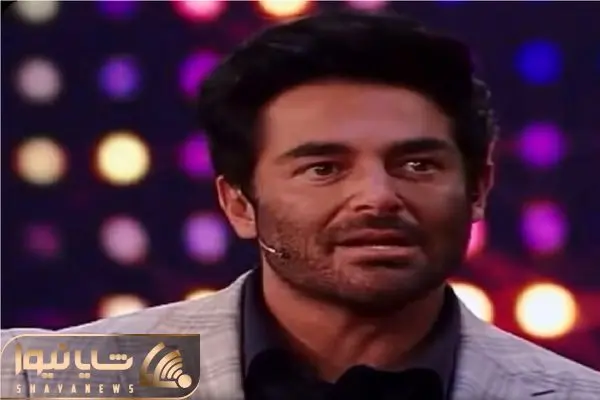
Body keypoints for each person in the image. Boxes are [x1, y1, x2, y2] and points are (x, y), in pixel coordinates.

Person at [2, 9, 600, 400]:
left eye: (417, 165)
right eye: (323, 168)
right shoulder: (46, 382)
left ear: (478, 190)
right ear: (239, 204)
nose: (377, 197)